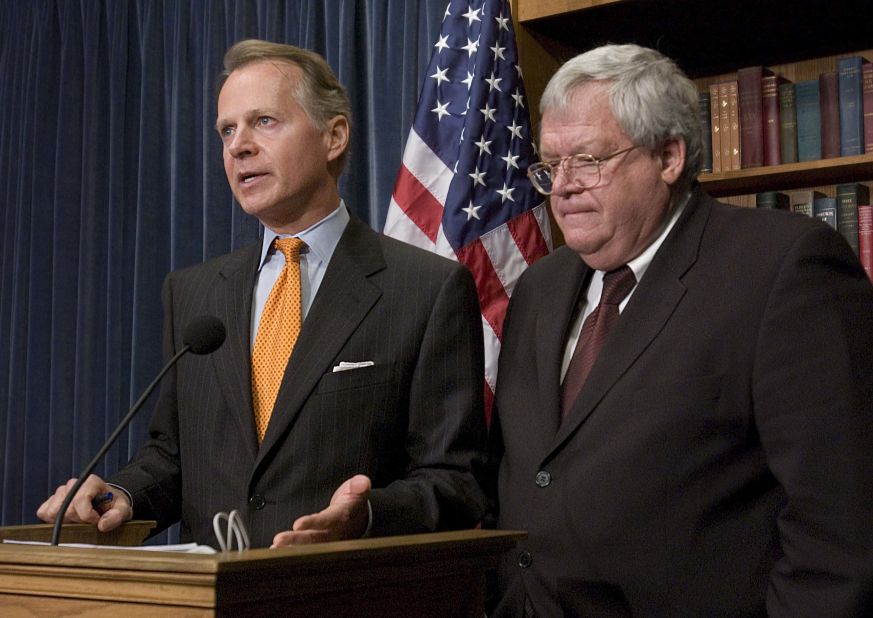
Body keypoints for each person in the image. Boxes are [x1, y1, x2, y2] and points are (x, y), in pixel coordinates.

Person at [38, 39, 488, 549]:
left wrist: (365, 518)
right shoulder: (193, 295)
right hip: (210, 596)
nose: (238, 146)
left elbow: (458, 481)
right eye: (227, 130)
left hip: (340, 591)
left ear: (334, 136)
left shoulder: (425, 289)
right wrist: (122, 494)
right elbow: (172, 457)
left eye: (264, 122)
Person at [488, 43, 873, 616]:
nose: (563, 187)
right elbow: (527, 475)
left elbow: (839, 522)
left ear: (669, 156)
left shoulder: (781, 268)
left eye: (588, 161)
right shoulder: (541, 286)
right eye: (551, 165)